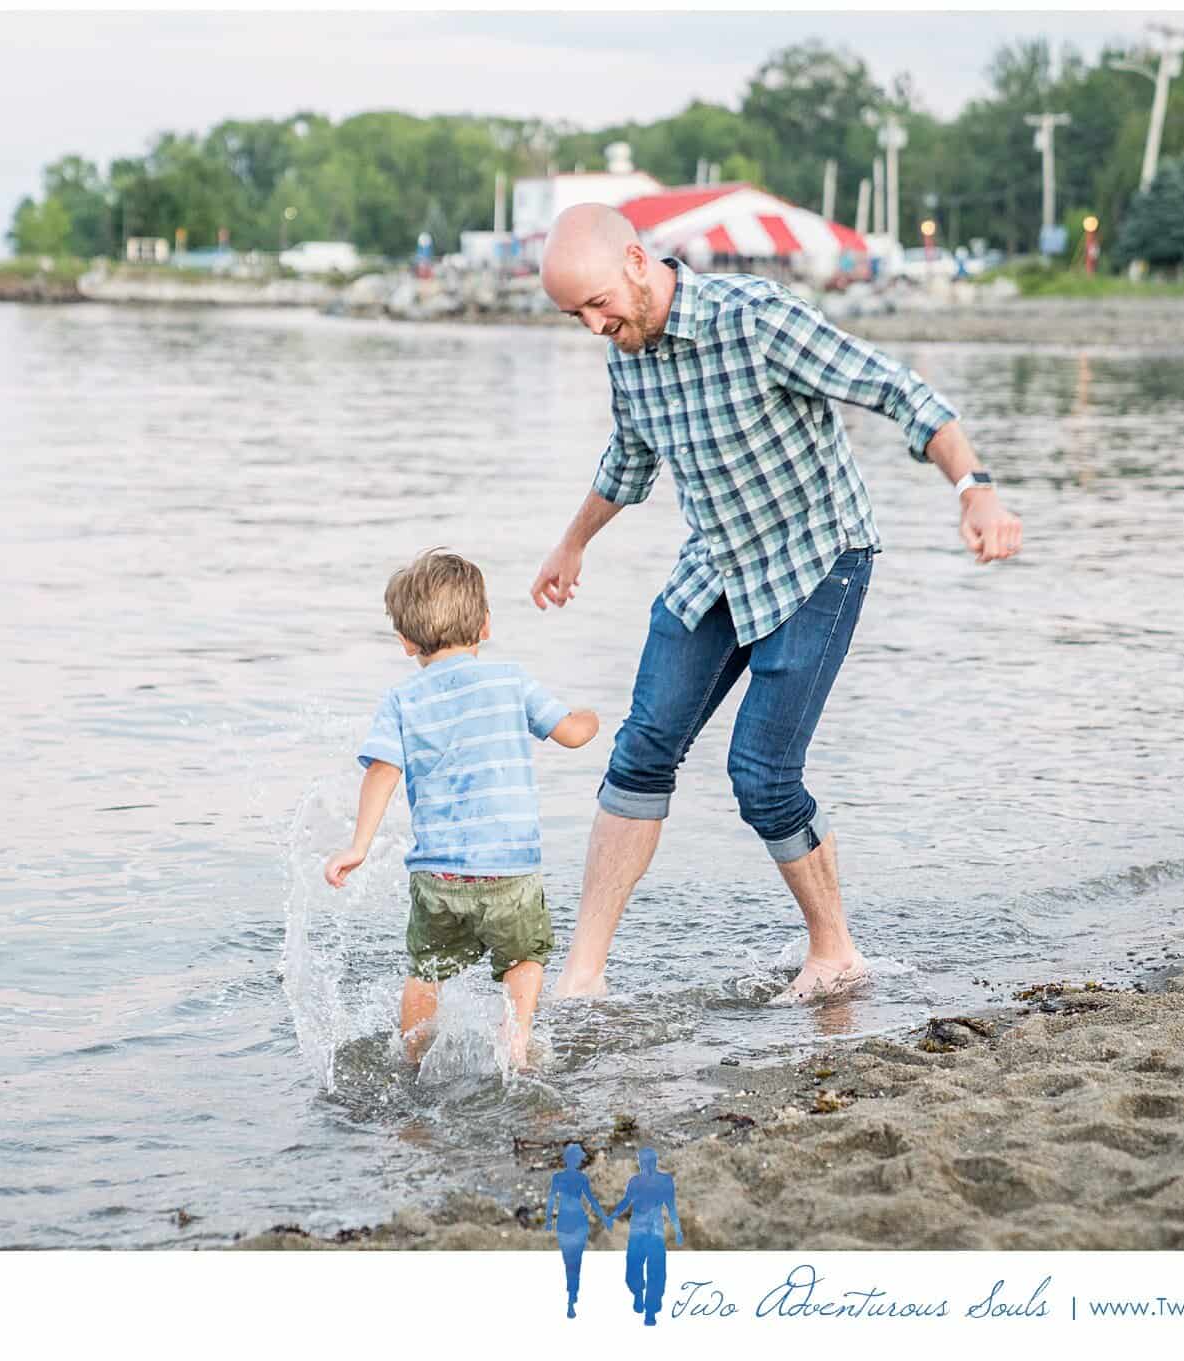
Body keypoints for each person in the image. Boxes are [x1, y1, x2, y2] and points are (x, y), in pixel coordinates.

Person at [531, 204, 1022, 1004]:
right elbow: (628, 458)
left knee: (760, 773)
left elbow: (898, 391)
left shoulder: (755, 319)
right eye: (574, 315)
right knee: (643, 747)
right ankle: (583, 975)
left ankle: (834, 951)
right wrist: (572, 543)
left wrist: (976, 491)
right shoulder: (628, 349)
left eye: (596, 303)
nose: (592, 326)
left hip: (817, 557)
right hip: (719, 560)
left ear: (633, 259)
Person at [323, 549, 600, 1068]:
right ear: (486, 626)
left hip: (439, 876)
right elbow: (571, 734)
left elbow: (381, 770)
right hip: (510, 871)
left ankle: (412, 1057)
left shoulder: (402, 700)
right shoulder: (511, 681)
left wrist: (357, 846)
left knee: (425, 971)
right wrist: (591, 718)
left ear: (406, 642)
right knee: (524, 956)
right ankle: (515, 1042)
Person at [608, 1147, 682, 1326]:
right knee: (633, 1269)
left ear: (654, 1162)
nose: (644, 1165)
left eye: (647, 1161)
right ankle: (638, 1293)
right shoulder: (635, 1182)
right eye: (642, 1161)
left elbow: (671, 1208)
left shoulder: (665, 1181)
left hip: (656, 1231)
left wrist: (678, 1230)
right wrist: (612, 1215)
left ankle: (651, 1311)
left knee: (656, 1272)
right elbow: (627, 1201)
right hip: (637, 1230)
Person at [545, 1142, 608, 1318]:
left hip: (569, 1219)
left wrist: (549, 1221)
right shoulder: (573, 1178)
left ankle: (572, 1299)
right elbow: (592, 1201)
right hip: (574, 1219)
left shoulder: (562, 1177)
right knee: (573, 1261)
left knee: (571, 1261)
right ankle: (571, 1298)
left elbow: (552, 1201)